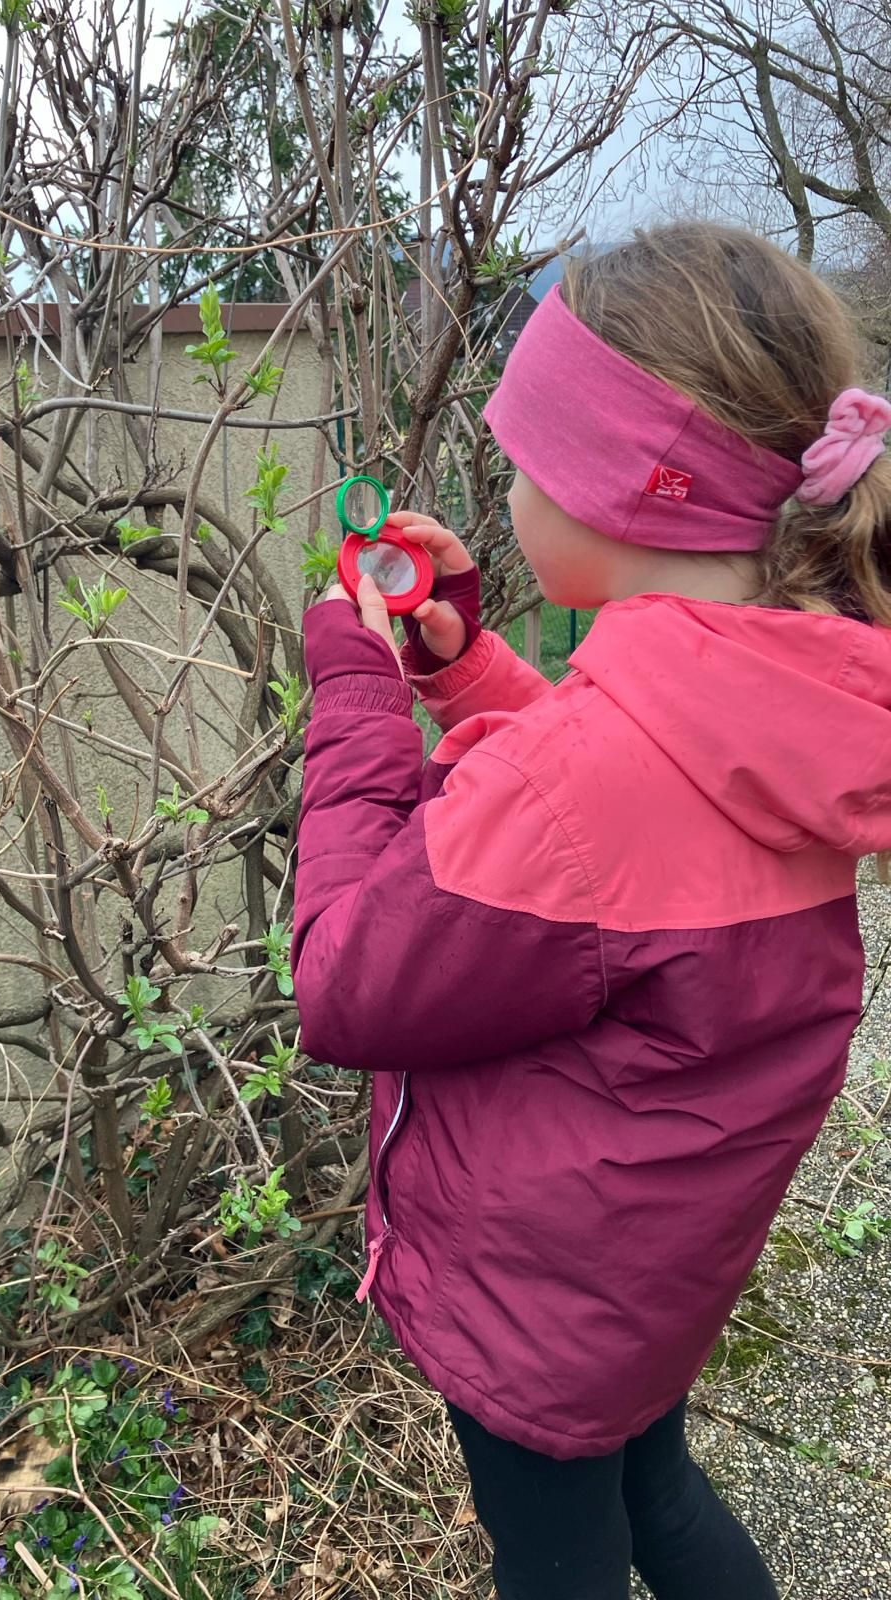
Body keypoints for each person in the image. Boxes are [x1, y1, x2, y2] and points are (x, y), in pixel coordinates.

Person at [290, 222, 891, 1600]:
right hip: (650, 1280)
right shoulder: (781, 701)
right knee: (659, 1496)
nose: (502, 486)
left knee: (555, 1560)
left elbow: (343, 977)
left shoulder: (593, 786)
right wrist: (464, 669)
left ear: (622, 486)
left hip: (539, 1311)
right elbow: (613, 815)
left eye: (521, 455)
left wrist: (362, 688)